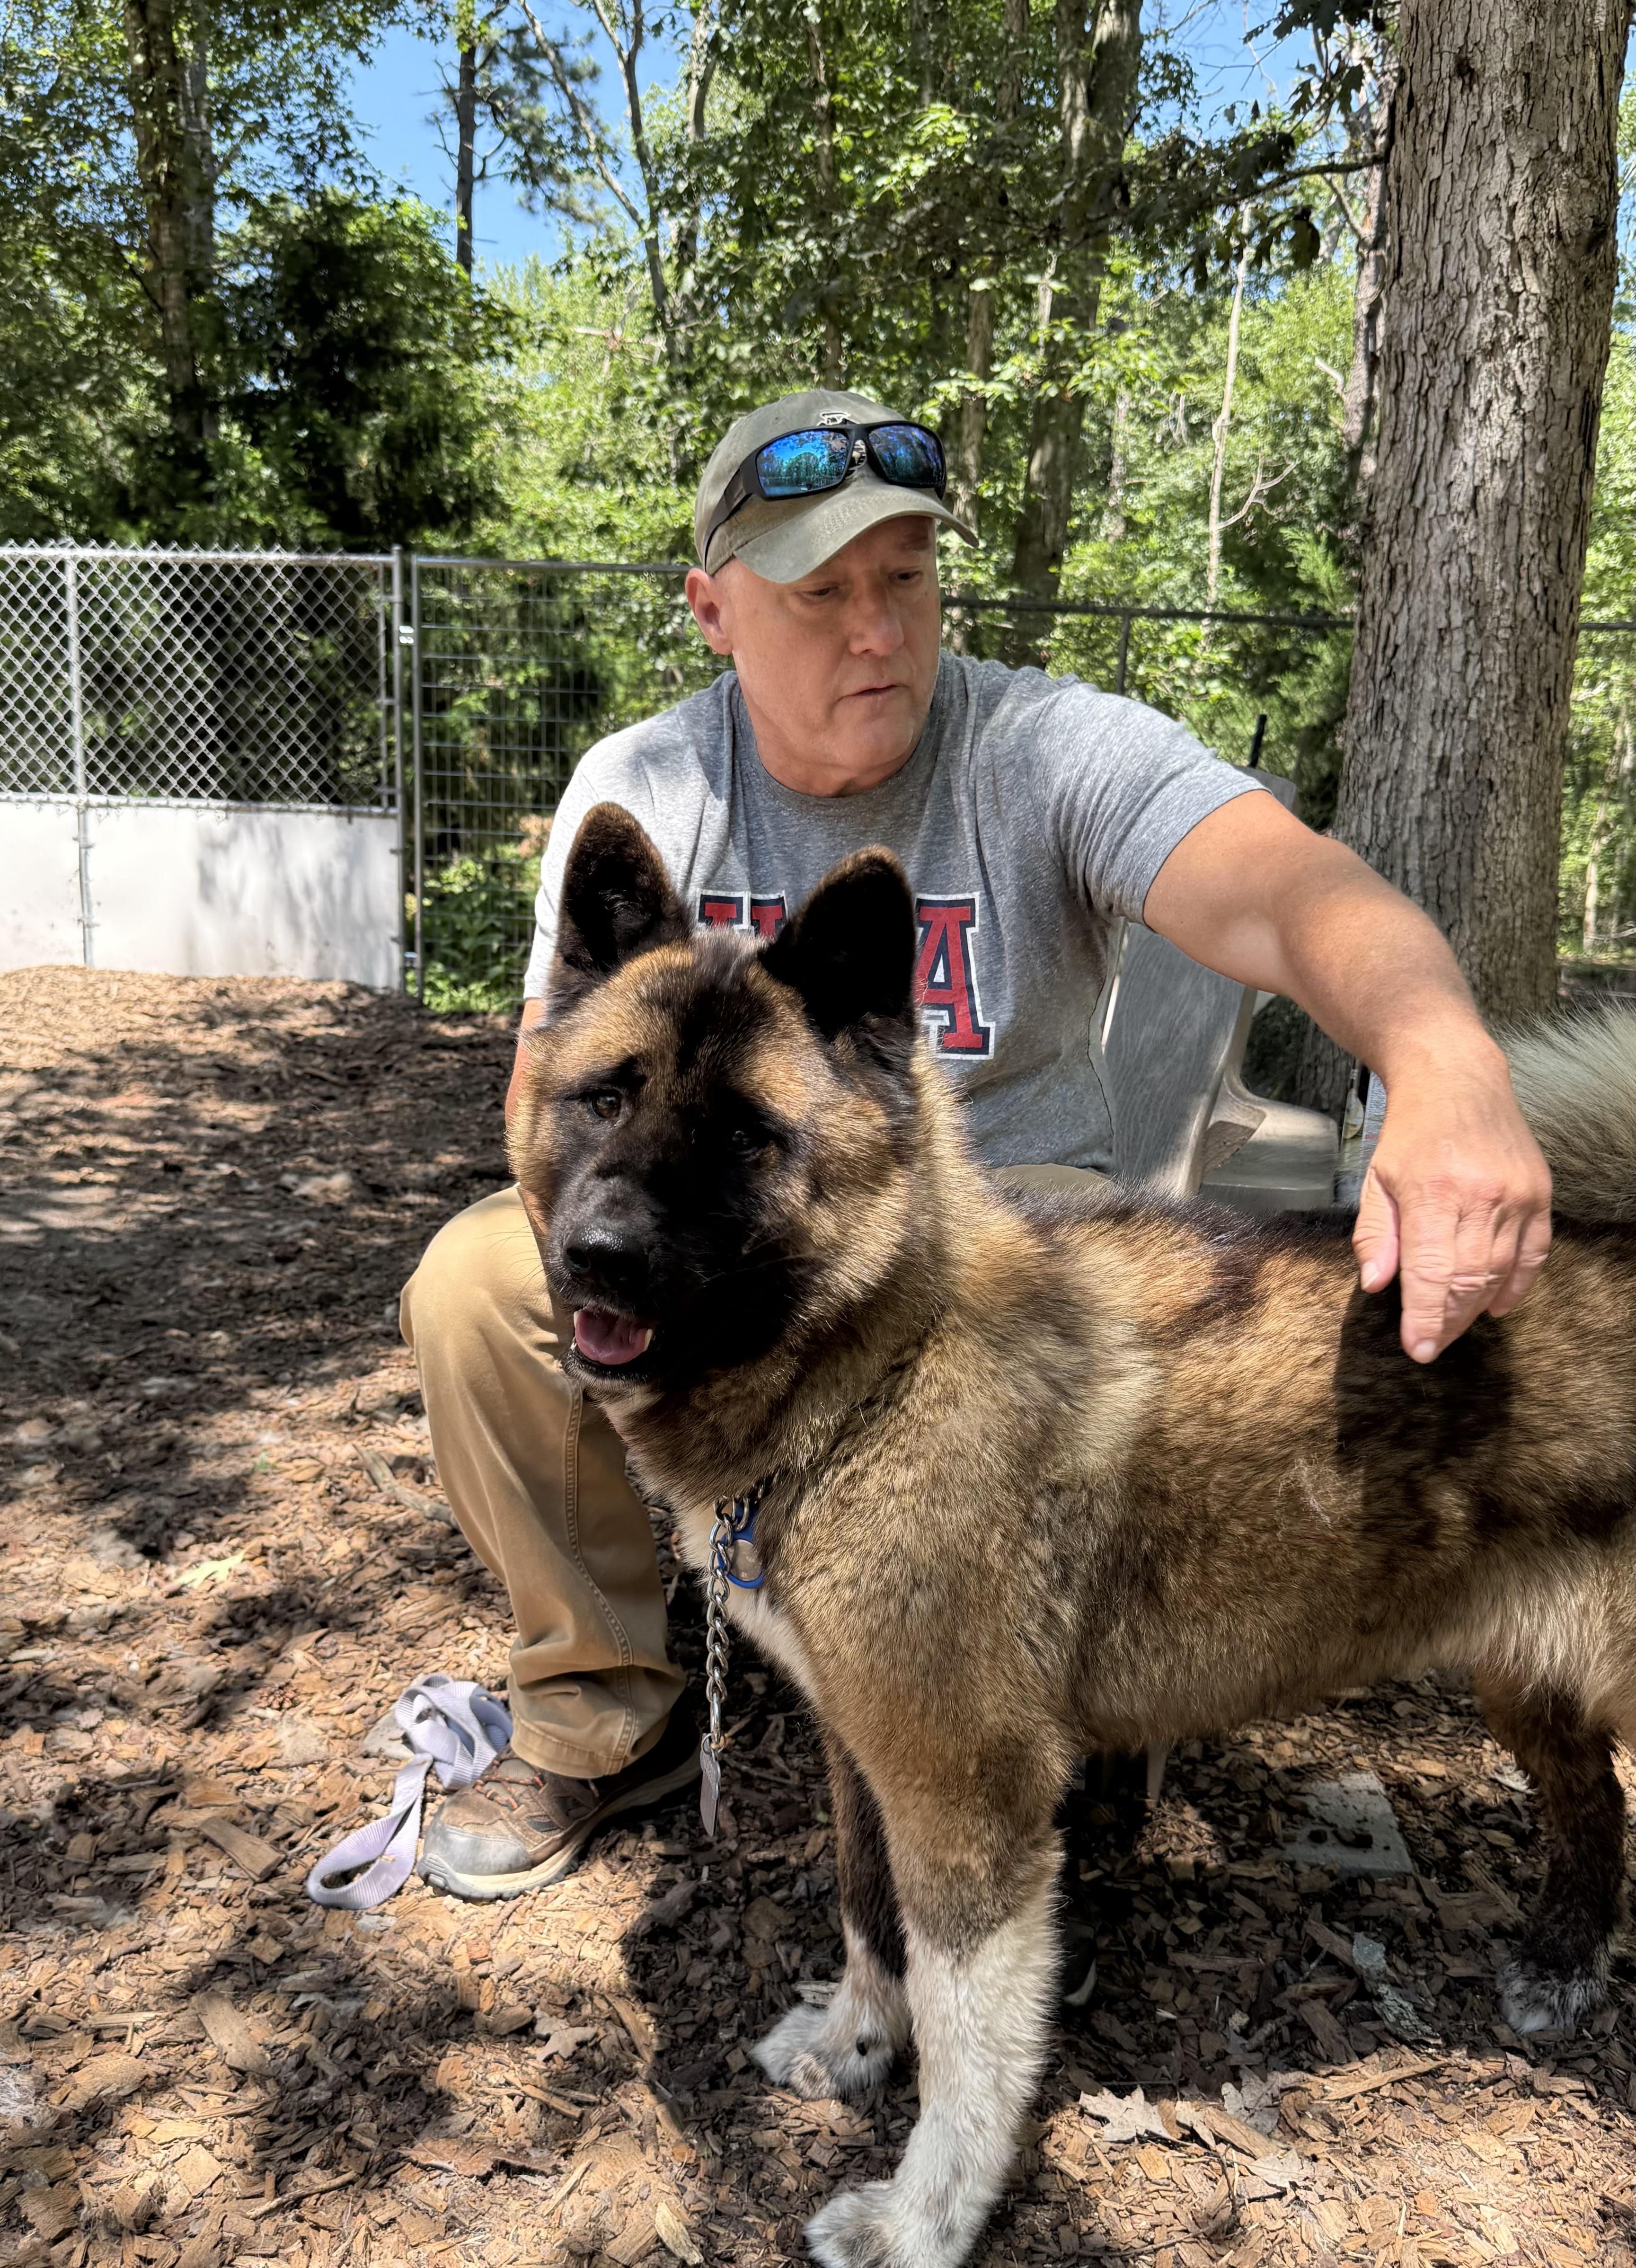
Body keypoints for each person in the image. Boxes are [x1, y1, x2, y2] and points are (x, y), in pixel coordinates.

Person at [401, 388, 1553, 1902]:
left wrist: (1445, 1066)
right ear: (712, 611)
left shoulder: (1044, 744)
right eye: (820, 593)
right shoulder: (651, 786)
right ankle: (603, 1702)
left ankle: (1043, 1679)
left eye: (907, 580)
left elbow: (1293, 891)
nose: (876, 630)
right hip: (750, 1221)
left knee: (1015, 1316)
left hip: (1019, 1220)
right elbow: (546, 1094)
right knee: (480, 1283)